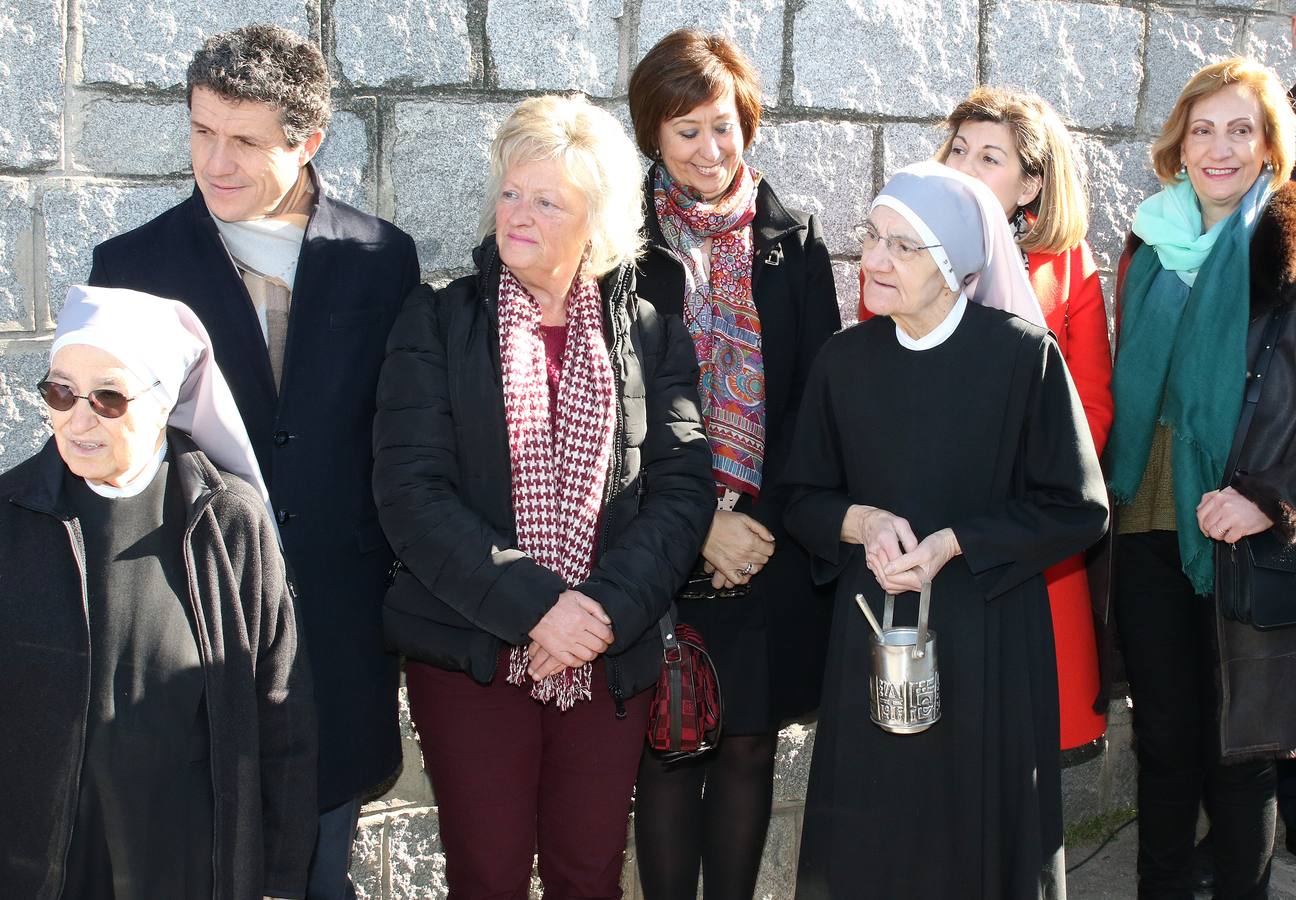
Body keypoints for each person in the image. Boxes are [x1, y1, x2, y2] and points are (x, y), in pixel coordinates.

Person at [86, 25, 419, 897]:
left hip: (337, 627)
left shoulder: (383, 261)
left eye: (244, 139)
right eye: (201, 131)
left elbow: (401, 441)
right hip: (193, 624)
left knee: (321, 871)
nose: (215, 160)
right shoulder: (132, 268)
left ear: (308, 140)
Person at [372, 94, 714, 899]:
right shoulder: (437, 320)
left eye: (546, 199)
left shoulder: (652, 334)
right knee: (486, 873)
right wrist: (537, 607)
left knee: (588, 871)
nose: (517, 214)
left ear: (594, 220)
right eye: (510, 192)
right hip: (473, 653)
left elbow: (680, 492)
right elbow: (410, 492)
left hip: (608, 649)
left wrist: (595, 614)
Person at [783, 160, 1109, 898]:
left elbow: (1079, 508)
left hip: (987, 638)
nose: (872, 259)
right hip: (873, 632)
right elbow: (800, 497)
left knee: (976, 835)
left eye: (902, 246)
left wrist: (955, 541)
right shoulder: (844, 361)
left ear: (957, 265)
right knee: (873, 835)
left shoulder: (1023, 358)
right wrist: (860, 521)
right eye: (871, 237)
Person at [0, 285, 316, 900]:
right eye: (60, 391)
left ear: (163, 400)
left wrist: (278, 878)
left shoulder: (227, 521)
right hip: (39, 862)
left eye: (108, 397)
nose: (78, 418)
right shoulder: (9, 517)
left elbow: (282, 711)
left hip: (190, 859)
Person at [625, 29, 841, 900]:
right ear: (653, 137)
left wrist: (756, 522)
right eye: (687, 133)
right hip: (658, 534)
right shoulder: (622, 247)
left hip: (768, 537)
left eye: (724, 127)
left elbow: (815, 399)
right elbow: (617, 403)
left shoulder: (792, 241)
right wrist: (695, 523)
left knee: (751, 742)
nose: (711, 152)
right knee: (671, 746)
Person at [1105, 57, 1296, 897]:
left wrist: (1269, 501)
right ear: (1180, 142)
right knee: (1165, 745)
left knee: (1239, 754)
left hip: (1242, 536)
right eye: (1203, 127)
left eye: (1240, 129)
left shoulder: (1286, 250)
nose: (1219, 147)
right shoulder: (1147, 242)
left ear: (1269, 147)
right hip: (1147, 520)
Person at [935, 85, 1114, 752]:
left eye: (991, 157)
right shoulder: (908, 250)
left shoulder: (1067, 268)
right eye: (959, 150)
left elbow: (1092, 404)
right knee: (943, 734)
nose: (966, 168)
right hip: (931, 521)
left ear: (1031, 183)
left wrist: (1027, 483)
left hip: (1030, 532)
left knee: (1027, 736)